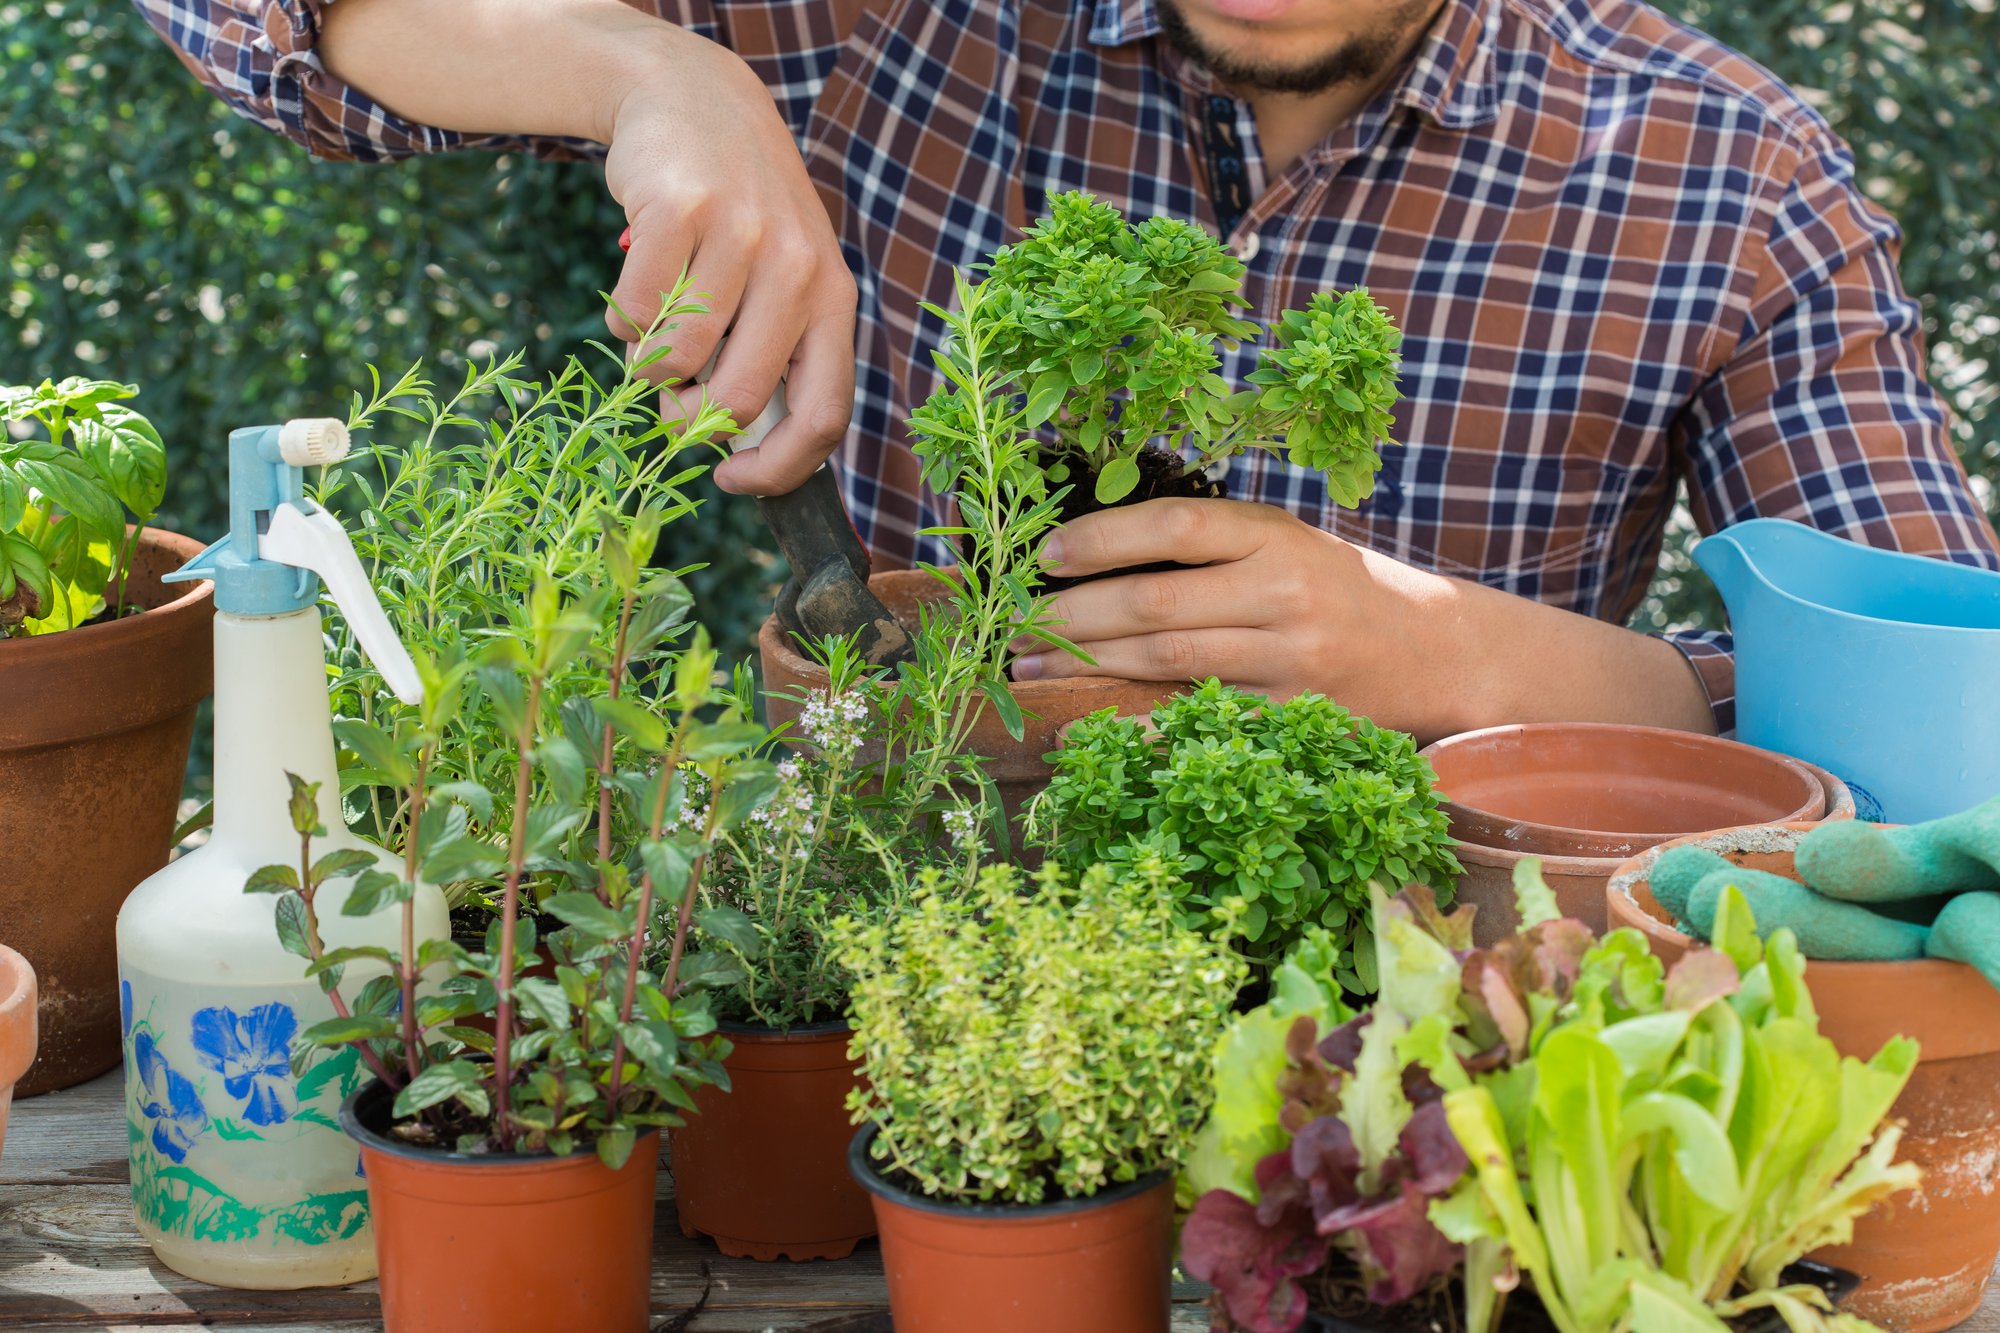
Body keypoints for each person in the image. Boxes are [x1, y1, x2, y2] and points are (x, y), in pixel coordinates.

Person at [138, 0, 1999, 743]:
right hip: (942, 1012)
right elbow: (251, 22)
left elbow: (1947, 740)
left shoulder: (1728, 172)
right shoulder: (910, 25)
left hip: (1445, 1063)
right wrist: (646, 73)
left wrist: (1464, 657)